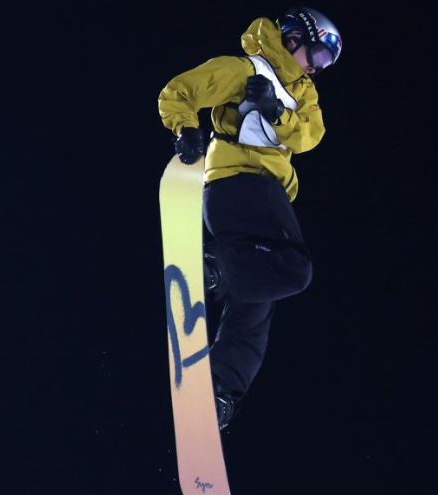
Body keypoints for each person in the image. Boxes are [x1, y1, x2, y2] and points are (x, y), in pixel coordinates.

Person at [158, 7, 342, 430]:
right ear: (294, 38)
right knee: (294, 268)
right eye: (316, 55)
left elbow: (311, 135)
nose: (316, 68)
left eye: (325, 63)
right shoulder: (246, 70)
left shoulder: (304, 94)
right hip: (241, 186)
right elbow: (178, 91)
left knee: (258, 298)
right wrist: (186, 129)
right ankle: (215, 270)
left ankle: (219, 389)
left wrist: (276, 110)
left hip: (262, 197)